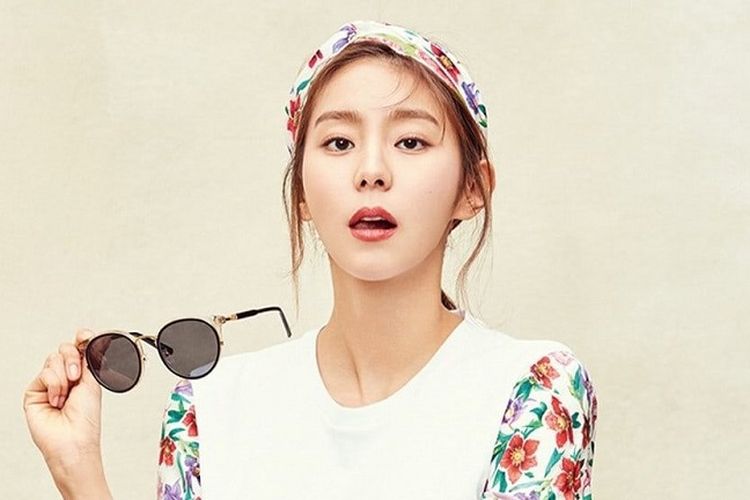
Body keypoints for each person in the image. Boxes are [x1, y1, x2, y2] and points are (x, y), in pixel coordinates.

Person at [23, 19, 597, 500]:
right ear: (301, 191)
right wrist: (79, 475)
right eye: (339, 143)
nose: (371, 171)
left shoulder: (532, 389)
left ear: (472, 188)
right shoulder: (207, 409)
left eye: (411, 141)